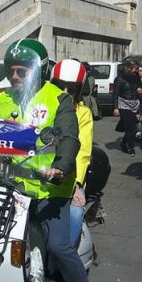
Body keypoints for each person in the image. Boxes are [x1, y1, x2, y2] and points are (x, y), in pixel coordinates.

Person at [0, 40, 108, 282]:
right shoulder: (1, 101)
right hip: (12, 185)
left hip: (50, 188)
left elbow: (71, 139)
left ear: (39, 70)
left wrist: (63, 166)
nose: (16, 77)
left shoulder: (58, 99)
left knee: (59, 246)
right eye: (11, 71)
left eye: (22, 70)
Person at [50, 59, 94, 245]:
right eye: (60, 86)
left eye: (72, 89)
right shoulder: (42, 107)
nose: (65, 93)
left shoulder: (83, 113)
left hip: (67, 179)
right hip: (36, 174)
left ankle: (68, 259)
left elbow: (83, 150)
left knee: (75, 214)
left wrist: (77, 184)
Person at [112, 60, 142, 155]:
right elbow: (115, 93)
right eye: (135, 68)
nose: (136, 71)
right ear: (129, 68)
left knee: (133, 126)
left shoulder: (136, 77)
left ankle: (124, 142)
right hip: (124, 104)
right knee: (130, 128)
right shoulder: (120, 79)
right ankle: (130, 147)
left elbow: (140, 87)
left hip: (135, 104)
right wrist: (116, 107)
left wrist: (140, 89)